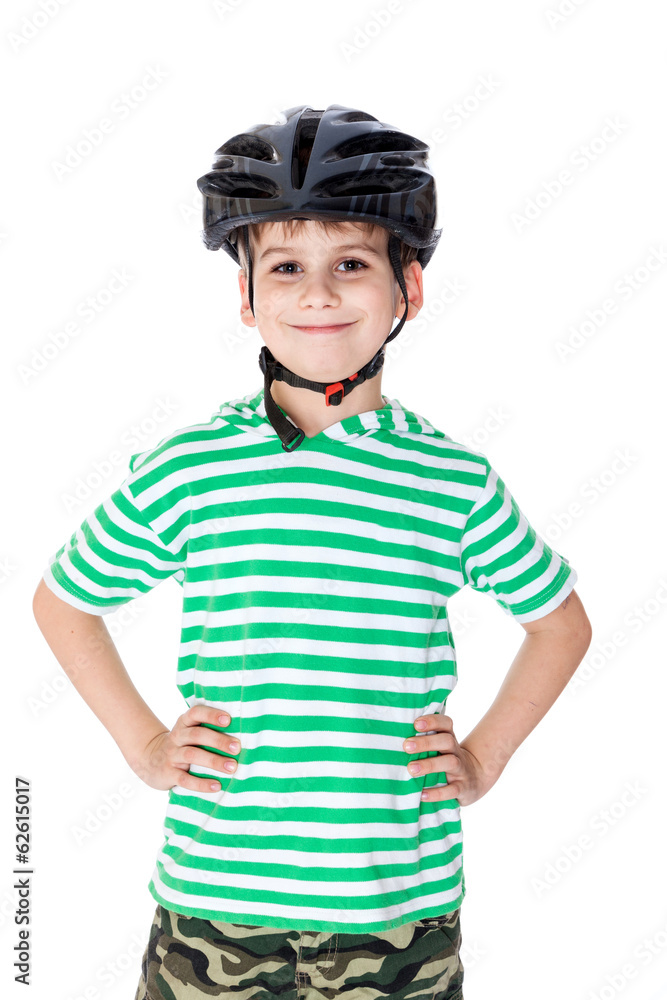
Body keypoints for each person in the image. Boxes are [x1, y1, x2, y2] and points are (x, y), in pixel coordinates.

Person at [33, 104, 592, 1000]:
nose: (318, 293)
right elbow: (63, 600)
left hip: (396, 911)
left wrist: (484, 757)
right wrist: (143, 744)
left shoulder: (450, 480)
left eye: (351, 265)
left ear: (408, 289)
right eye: (286, 266)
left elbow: (559, 623)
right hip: (214, 902)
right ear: (247, 297)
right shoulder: (193, 469)